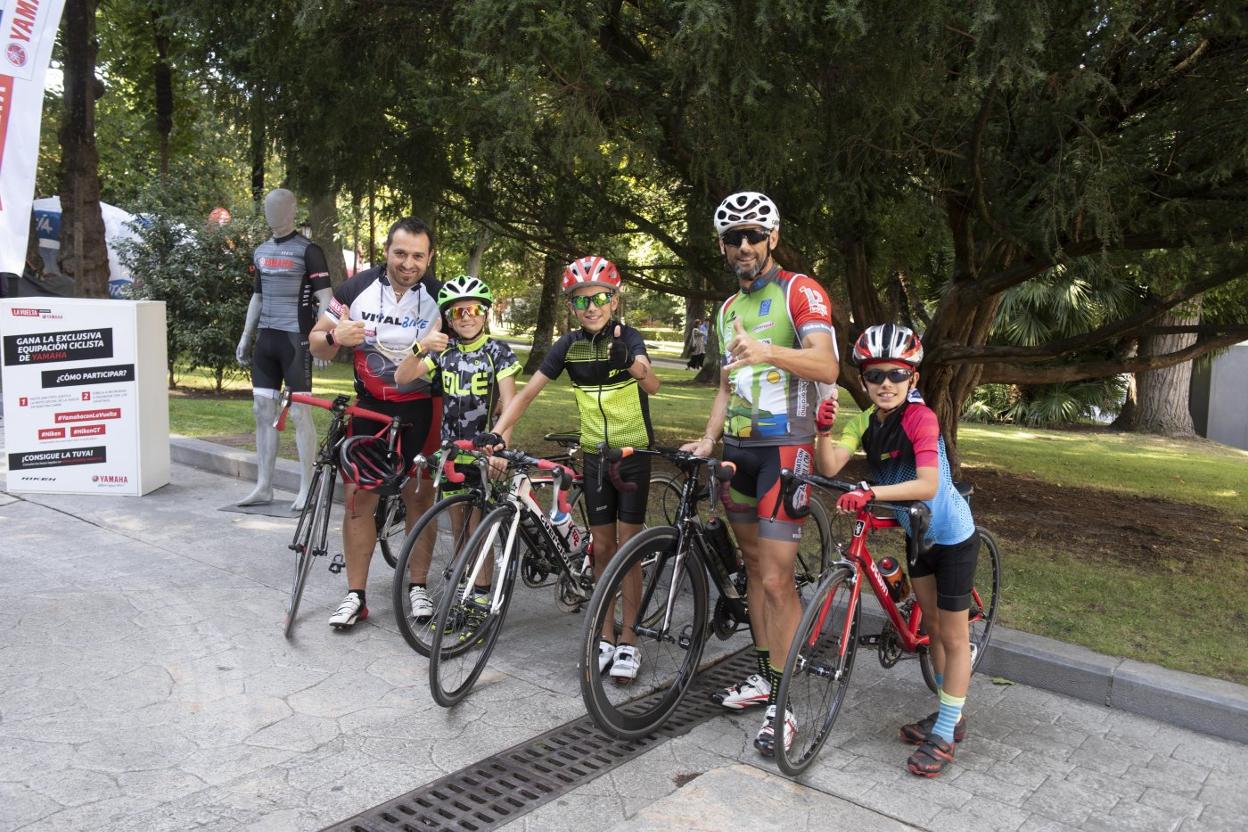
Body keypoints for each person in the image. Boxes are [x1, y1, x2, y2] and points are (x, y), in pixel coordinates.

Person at [681, 191, 838, 757]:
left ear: (771, 237)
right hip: (739, 451)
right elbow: (726, 383)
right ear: (722, 247)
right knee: (752, 570)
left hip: (786, 449)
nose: (742, 245)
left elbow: (827, 365)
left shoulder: (799, 291)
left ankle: (786, 701)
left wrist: (769, 351)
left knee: (775, 580)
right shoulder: (726, 310)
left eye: (752, 235)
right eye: (732, 238)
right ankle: (769, 676)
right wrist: (708, 435)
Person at [814, 323, 977, 777]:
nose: (886, 384)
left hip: (952, 536)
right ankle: (950, 713)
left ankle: (945, 731)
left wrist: (870, 490)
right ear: (863, 380)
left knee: (952, 635)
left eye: (897, 375)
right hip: (918, 535)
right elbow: (829, 465)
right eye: (874, 375)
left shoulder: (920, 419)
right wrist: (823, 432)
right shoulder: (865, 420)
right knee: (930, 633)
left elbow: (927, 485)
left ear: (913, 379)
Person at [488, 256, 660, 682]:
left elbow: (653, 383)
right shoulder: (568, 346)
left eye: (600, 297)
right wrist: (498, 432)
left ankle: (630, 638)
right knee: (601, 547)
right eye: (581, 301)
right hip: (597, 455)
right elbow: (527, 394)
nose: (591, 307)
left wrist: (630, 362)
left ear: (614, 300)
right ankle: (603, 635)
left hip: (633, 453)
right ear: (571, 307)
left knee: (628, 547)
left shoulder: (628, 336)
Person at [309, 217, 443, 629]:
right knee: (358, 501)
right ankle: (356, 595)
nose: (408, 263)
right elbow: (316, 340)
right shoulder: (353, 290)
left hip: (423, 407)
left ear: (429, 257)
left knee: (419, 499)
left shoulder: (440, 296)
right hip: (371, 410)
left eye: (418, 256)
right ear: (386, 250)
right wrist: (336, 338)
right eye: (400, 253)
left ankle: (417, 585)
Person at [393, 274, 519, 620]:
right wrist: (422, 345)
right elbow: (401, 377)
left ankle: (480, 597)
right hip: (451, 455)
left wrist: (502, 445)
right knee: (459, 527)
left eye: (473, 309)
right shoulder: (444, 352)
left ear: (485, 313)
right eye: (458, 312)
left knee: (479, 529)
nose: (466, 317)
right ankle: (466, 590)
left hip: (484, 455)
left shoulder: (498, 352)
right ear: (448, 318)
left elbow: (510, 405)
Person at [235, 188, 332, 511]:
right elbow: (258, 297)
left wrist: (321, 339)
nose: (271, 213)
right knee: (262, 412)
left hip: (296, 341)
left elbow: (326, 299)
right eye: (267, 207)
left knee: (300, 413)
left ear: (292, 211)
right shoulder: (261, 251)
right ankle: (264, 486)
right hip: (267, 340)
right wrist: (246, 336)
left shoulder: (309, 251)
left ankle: (306, 488)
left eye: (278, 207)